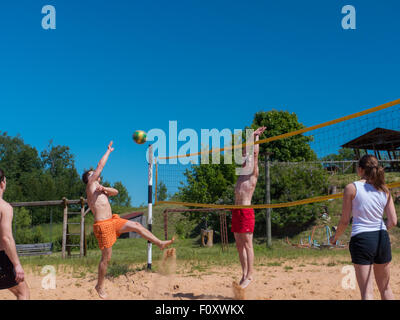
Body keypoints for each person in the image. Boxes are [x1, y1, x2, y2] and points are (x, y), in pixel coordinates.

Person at [82, 141, 174, 299]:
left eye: (94, 173)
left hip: (112, 221)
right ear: (88, 178)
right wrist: (109, 151)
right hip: (103, 226)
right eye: (92, 173)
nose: (95, 173)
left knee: (137, 225)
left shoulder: (100, 189)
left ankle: (159, 243)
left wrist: (105, 189)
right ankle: (99, 286)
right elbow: (100, 166)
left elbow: (116, 191)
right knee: (106, 258)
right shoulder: (90, 186)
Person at [330, 154, 397, 300]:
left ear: (360, 170)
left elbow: (344, 221)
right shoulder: (384, 190)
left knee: (367, 293)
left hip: (362, 239)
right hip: (381, 238)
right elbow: (393, 222)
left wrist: (334, 238)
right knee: (386, 289)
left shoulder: (351, 188)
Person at [232, 126, 266, 289]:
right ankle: (244, 274)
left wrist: (255, 137)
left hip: (245, 211)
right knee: (239, 245)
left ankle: (250, 275)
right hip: (236, 211)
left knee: (247, 244)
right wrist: (249, 138)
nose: (245, 156)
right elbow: (246, 152)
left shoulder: (253, 172)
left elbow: (254, 154)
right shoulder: (240, 174)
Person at [0, 168, 30, 300]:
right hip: (1, 258)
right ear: (3, 183)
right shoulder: (5, 207)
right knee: (22, 292)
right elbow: (6, 238)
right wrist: (17, 264)